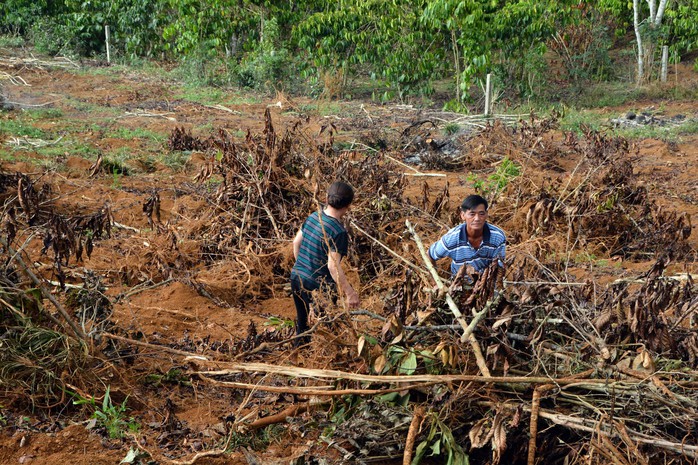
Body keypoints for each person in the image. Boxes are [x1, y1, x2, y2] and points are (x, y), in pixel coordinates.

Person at [290, 181, 360, 344]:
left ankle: (298, 355)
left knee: (303, 325)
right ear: (348, 205)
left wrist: (302, 267)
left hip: (297, 277)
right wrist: (350, 293)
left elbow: (296, 243)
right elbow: (332, 266)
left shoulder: (314, 216)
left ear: (327, 198)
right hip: (319, 287)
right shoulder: (338, 232)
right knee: (324, 327)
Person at [428, 194, 506, 278]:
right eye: (472, 214)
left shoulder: (497, 237)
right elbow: (429, 254)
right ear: (463, 215)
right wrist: (435, 282)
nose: (477, 218)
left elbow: (499, 268)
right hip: (459, 285)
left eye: (481, 214)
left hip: (486, 285)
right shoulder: (451, 238)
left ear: (486, 214)